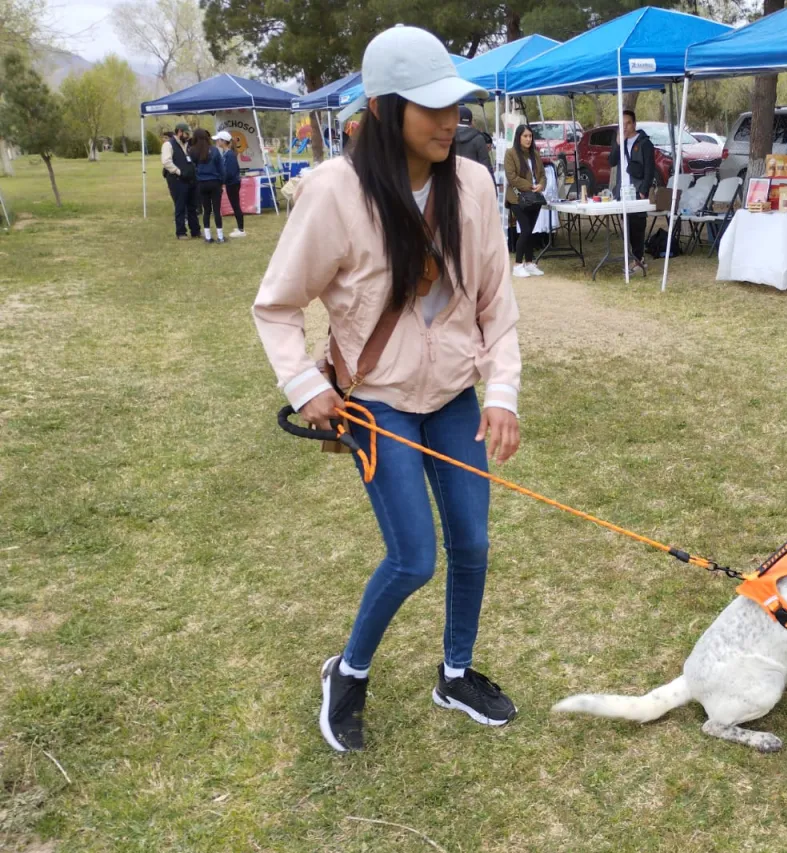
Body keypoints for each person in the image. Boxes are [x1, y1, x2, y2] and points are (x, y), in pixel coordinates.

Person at [253, 23, 521, 753]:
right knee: (413, 557)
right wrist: (306, 382)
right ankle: (348, 671)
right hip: (377, 402)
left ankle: (455, 672)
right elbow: (276, 305)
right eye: (429, 106)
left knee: (472, 543)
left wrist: (502, 393)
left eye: (455, 105)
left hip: (454, 399)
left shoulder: (473, 184)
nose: (449, 120)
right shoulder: (335, 193)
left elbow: (497, 303)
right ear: (381, 107)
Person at [608, 110, 656, 274]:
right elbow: (612, 161)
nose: (625, 127)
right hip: (623, 190)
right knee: (627, 225)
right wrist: (618, 143)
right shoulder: (620, 141)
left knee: (638, 225)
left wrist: (644, 190)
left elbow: (650, 169)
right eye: (622, 124)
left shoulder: (644, 143)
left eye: (628, 123)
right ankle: (634, 257)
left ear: (634, 124)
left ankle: (639, 259)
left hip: (637, 190)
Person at [503, 123, 545, 278]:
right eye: (525, 136)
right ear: (518, 137)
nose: (528, 139)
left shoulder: (535, 153)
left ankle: (529, 263)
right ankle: (517, 264)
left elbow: (542, 175)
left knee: (530, 231)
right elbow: (511, 176)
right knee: (526, 229)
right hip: (517, 198)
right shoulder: (511, 153)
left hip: (534, 197)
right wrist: (529, 186)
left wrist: (541, 185)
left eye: (530, 136)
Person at [160, 123, 200, 239]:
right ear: (179, 132)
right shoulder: (168, 145)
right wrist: (179, 172)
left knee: (193, 206)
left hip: (191, 179)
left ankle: (195, 231)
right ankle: (181, 232)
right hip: (177, 180)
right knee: (180, 206)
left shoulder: (187, 144)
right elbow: (166, 162)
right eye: (186, 133)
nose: (188, 136)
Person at [190, 128, 225, 243]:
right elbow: (221, 168)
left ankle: (208, 236)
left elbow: (193, 167)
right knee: (216, 210)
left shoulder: (193, 151)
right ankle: (220, 236)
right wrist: (222, 181)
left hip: (202, 183)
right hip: (214, 182)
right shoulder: (214, 150)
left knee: (206, 210)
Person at [214, 130, 246, 238]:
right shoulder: (226, 153)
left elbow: (230, 172)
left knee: (236, 205)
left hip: (232, 183)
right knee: (235, 205)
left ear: (223, 141)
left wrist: (222, 181)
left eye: (218, 140)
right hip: (231, 183)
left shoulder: (230, 155)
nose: (217, 142)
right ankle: (240, 228)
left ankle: (241, 230)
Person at [455, 105, 492, 170]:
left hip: (451, 178)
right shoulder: (478, 138)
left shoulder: (447, 137)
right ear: (471, 121)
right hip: (473, 178)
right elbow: (485, 165)